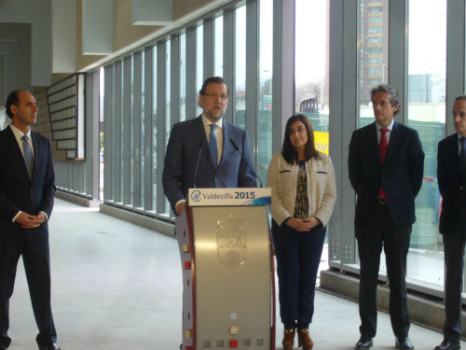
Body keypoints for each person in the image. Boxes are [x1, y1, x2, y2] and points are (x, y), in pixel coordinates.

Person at [348, 84, 424, 350]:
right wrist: (375, 197)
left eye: (382, 103)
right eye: (374, 103)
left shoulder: (410, 137)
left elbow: (415, 179)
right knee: (367, 277)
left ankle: (401, 334)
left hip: (398, 218)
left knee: (398, 277)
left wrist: (395, 199)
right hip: (369, 215)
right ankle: (366, 333)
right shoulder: (360, 137)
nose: (377, 108)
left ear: (395, 106)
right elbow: (354, 176)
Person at [267, 114, 336, 350]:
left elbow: (330, 195)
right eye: (291, 131)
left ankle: (304, 328)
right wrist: (287, 219)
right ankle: (288, 329)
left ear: (308, 132)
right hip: (286, 230)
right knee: (288, 278)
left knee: (307, 280)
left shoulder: (324, 161)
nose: (296, 135)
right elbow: (272, 195)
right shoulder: (278, 161)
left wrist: (318, 219)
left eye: (300, 130)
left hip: (313, 231)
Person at [0, 90, 60, 350]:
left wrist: (44, 214)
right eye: (29, 105)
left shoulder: (44, 144)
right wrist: (15, 214)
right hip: (6, 228)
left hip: (37, 229)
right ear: (14, 109)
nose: (35, 109)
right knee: (2, 289)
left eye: (35, 105)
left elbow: (50, 185)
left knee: (41, 288)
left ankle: (48, 340)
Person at [162, 76, 256, 214]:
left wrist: (248, 204)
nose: (218, 101)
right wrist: (179, 202)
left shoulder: (239, 136)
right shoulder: (182, 132)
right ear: (201, 99)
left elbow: (248, 180)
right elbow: (170, 177)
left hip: (232, 220)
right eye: (213, 95)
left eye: (223, 96)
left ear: (227, 102)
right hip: (193, 217)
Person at [435, 94, 466, 350]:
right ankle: (451, 338)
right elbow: (444, 184)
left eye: (462, 115)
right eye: (454, 114)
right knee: (452, 281)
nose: (456, 119)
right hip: (453, 222)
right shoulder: (445, 146)